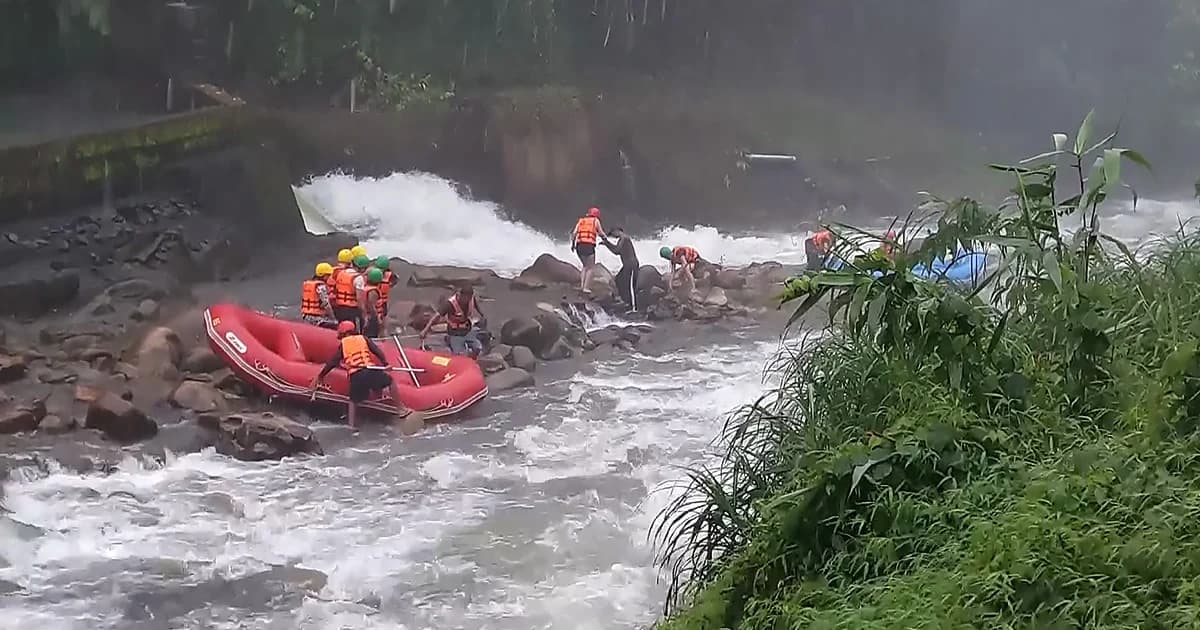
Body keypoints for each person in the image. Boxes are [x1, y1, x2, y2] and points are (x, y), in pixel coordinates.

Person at [309, 321, 422, 430]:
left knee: (353, 400)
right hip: (369, 370)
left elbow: (333, 362)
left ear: (344, 334)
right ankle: (401, 409)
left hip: (356, 375)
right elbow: (377, 351)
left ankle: (351, 425)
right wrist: (385, 364)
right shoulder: (363, 338)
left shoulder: (343, 344)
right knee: (390, 381)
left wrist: (321, 375)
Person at [419, 284, 487, 358]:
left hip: (467, 330)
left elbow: (476, 305)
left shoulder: (471, 299)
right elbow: (437, 316)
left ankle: (472, 361)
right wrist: (425, 330)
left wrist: (482, 314)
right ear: (461, 295)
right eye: (465, 298)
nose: (467, 301)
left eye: (469, 298)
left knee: (477, 347)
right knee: (459, 354)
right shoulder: (450, 304)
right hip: (455, 333)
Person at [602, 227, 639, 312]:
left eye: (613, 234)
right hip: (627, 265)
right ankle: (625, 301)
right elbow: (617, 251)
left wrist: (607, 243)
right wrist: (607, 243)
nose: (614, 236)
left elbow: (616, 250)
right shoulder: (623, 239)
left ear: (617, 231)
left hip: (631, 265)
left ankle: (633, 307)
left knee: (630, 286)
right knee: (619, 280)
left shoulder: (624, 238)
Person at [571, 207, 604, 294]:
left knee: (585, 266)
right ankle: (586, 288)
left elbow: (574, 233)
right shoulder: (595, 221)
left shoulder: (581, 221)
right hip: (589, 246)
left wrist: (572, 245)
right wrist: (605, 238)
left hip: (579, 245)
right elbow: (600, 233)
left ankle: (582, 286)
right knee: (590, 268)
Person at [301, 263, 337, 328]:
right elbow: (326, 304)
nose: (329, 277)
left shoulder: (308, 284)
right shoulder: (320, 286)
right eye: (328, 275)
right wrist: (333, 318)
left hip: (306, 316)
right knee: (335, 326)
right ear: (323, 275)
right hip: (317, 318)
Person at [331, 253, 363, 327]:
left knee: (342, 329)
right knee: (353, 330)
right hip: (352, 310)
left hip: (339, 308)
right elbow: (359, 298)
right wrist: (363, 312)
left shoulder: (339, 273)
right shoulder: (358, 277)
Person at [360, 268, 385, 338]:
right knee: (372, 336)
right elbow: (371, 305)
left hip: (366, 316)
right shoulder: (373, 291)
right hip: (371, 319)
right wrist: (377, 318)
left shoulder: (366, 288)